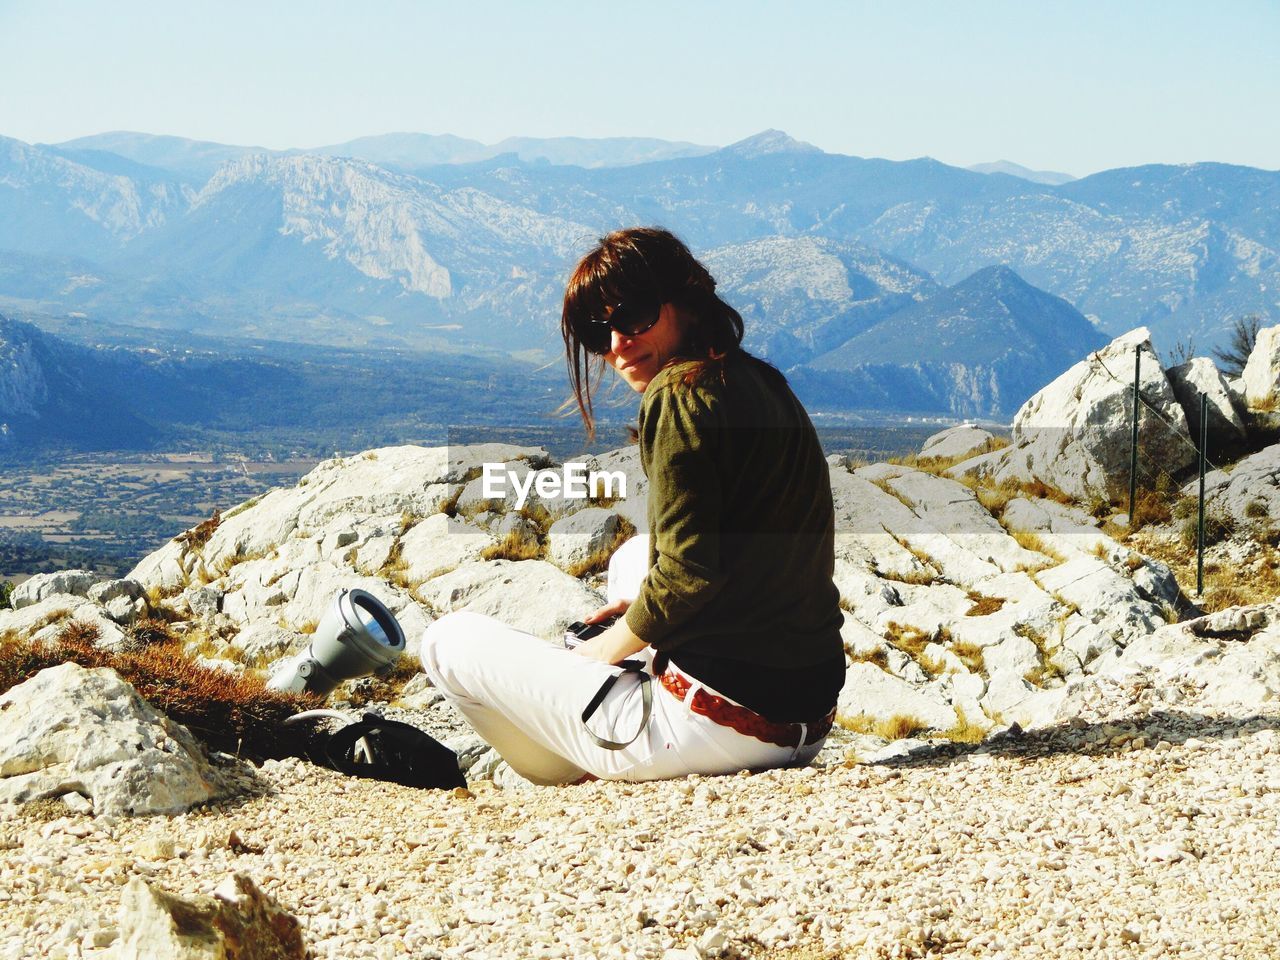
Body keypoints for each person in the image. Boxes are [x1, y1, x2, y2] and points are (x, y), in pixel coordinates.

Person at [418, 227, 845, 784]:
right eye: (599, 330)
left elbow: (688, 577)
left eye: (635, 315)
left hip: (713, 730)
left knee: (446, 642)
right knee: (634, 558)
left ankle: (569, 774)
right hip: (804, 714)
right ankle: (605, 706)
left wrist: (597, 659)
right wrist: (638, 621)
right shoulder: (758, 379)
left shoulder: (678, 395)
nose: (617, 343)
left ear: (684, 302)